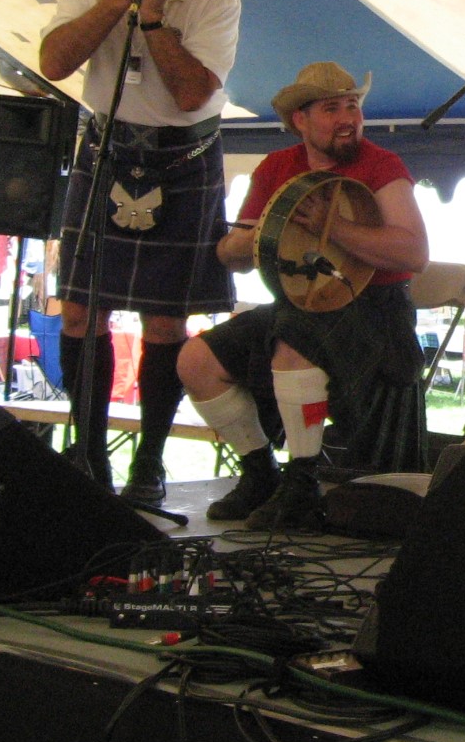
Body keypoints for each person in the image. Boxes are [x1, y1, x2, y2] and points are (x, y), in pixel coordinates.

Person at [39, 0, 240, 504]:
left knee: (164, 323)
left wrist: (152, 20)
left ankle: (148, 463)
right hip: (107, 147)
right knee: (78, 309)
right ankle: (90, 454)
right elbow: (54, 62)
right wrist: (119, 1)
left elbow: (190, 93)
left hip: (184, 157)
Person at [179, 62, 430, 529]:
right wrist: (248, 243)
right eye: (332, 108)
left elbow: (413, 252)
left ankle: (303, 482)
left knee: (294, 342)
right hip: (299, 303)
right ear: (300, 119)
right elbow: (232, 252)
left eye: (353, 106)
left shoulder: (381, 165)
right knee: (195, 361)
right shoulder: (278, 167)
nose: (347, 118)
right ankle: (261, 473)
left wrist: (332, 227)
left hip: (377, 312)